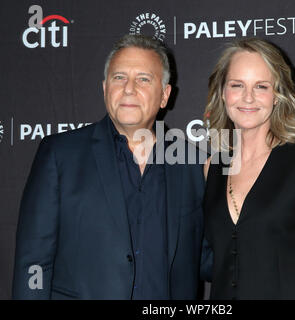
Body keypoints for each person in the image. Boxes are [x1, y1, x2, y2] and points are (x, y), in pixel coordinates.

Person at [12, 34, 210, 299]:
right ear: (105, 88)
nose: (129, 88)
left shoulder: (193, 164)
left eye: (143, 79)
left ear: (164, 95)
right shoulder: (60, 155)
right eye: (119, 77)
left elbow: (208, 260)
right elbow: (34, 262)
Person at [203, 38, 295, 300]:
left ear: (277, 96)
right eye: (237, 85)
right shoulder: (211, 168)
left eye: (261, 86)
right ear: (223, 93)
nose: (248, 97)